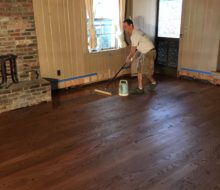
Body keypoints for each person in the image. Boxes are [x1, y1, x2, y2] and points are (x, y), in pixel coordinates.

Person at [123, 18, 157, 95]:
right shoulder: (137, 31)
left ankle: (153, 82)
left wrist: (128, 58)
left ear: (131, 25)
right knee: (139, 69)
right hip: (146, 52)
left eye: (125, 26)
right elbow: (138, 49)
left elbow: (132, 51)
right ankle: (140, 88)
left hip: (149, 52)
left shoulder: (134, 35)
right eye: (123, 27)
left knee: (146, 72)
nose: (124, 29)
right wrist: (131, 59)